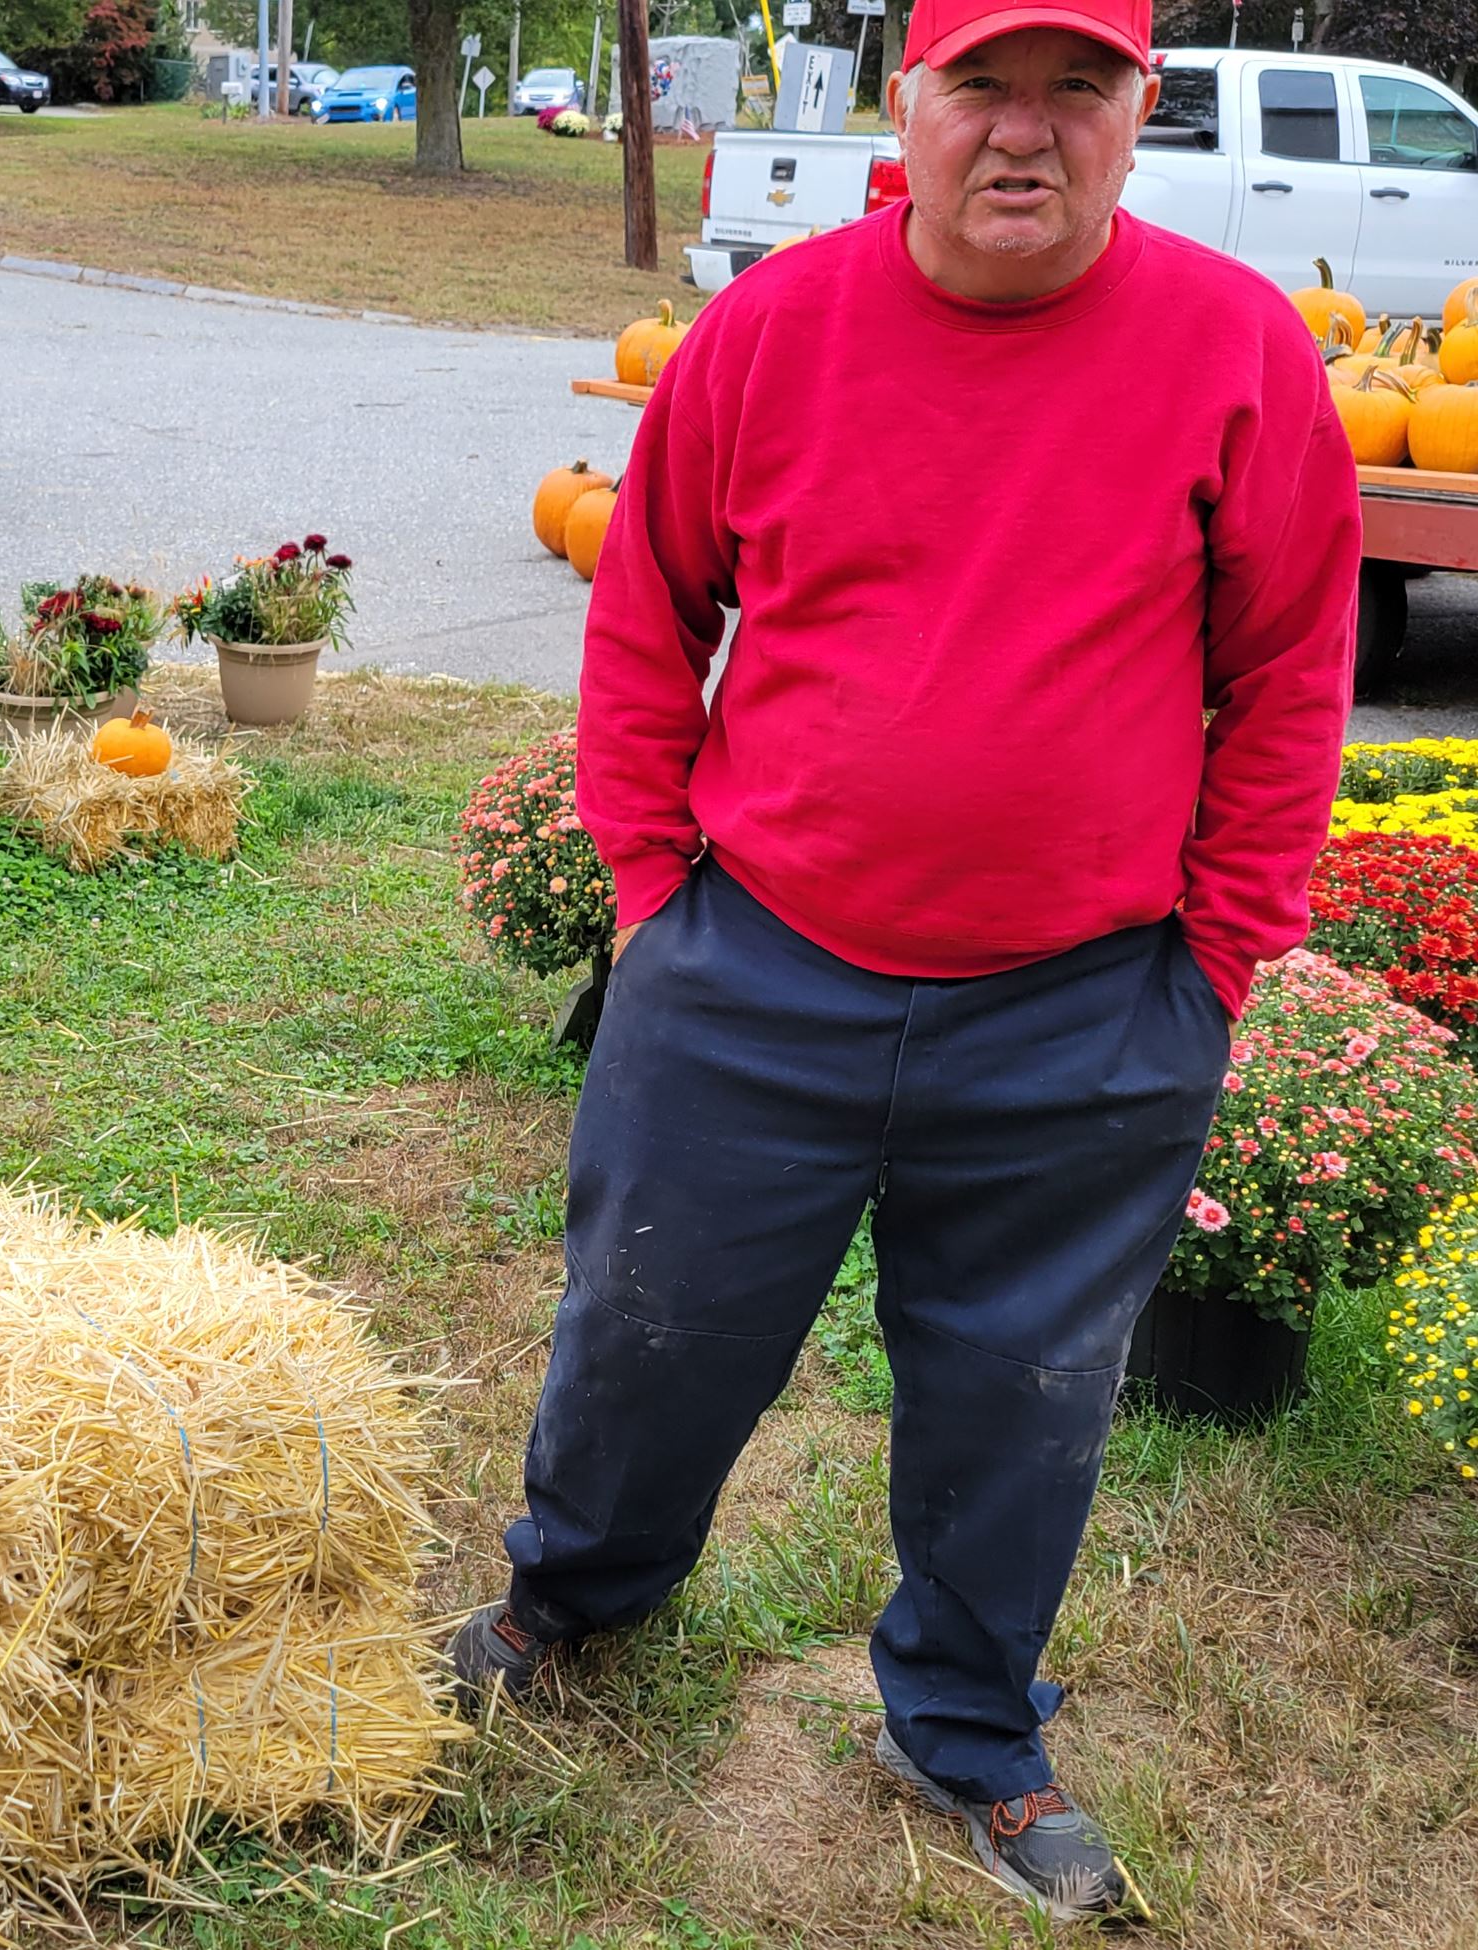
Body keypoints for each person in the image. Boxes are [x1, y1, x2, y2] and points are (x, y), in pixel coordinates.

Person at [449, 0, 1359, 1922]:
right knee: (650, 1324)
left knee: (1022, 1390)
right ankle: (575, 1595)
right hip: (755, 971)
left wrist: (1217, 958)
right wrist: (651, 887)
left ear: (1137, 113)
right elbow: (649, 609)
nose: (1025, 132)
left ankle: (964, 1723)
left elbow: (1289, 671)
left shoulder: (1238, 352)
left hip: (1085, 1007)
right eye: (981, 87)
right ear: (904, 105)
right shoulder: (771, 331)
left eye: (1077, 88)